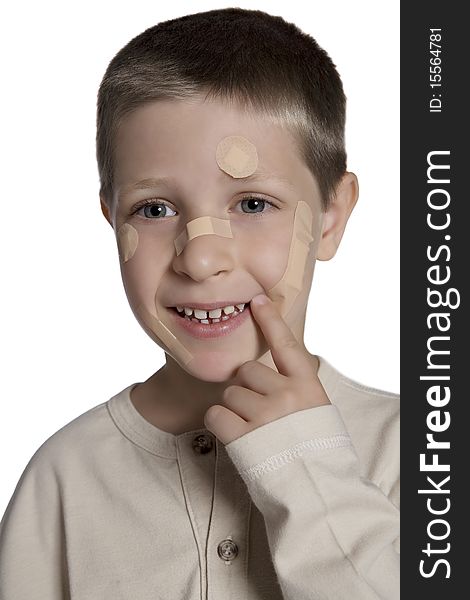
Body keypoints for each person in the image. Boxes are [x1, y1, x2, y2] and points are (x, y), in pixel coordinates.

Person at [0, 8, 399, 599]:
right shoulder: (64, 479)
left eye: (254, 204)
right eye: (155, 209)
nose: (201, 257)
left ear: (332, 217)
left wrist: (309, 468)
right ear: (111, 217)